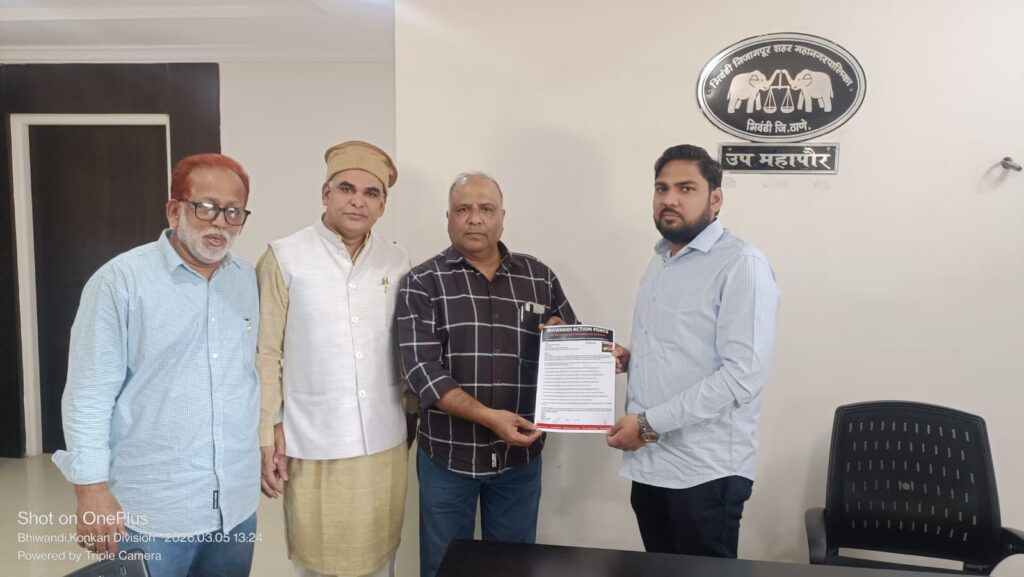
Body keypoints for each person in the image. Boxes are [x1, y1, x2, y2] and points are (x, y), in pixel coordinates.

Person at [53, 153, 260, 577]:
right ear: (174, 210)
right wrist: (91, 490)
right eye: (206, 207)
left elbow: (248, 376)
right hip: (153, 510)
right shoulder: (120, 282)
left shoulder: (245, 280)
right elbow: (88, 394)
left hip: (235, 506)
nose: (220, 222)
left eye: (233, 212)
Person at [397, 172, 577, 577]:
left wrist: (574, 342)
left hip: (520, 460)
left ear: (502, 217)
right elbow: (423, 372)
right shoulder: (422, 283)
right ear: (448, 217)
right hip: (447, 458)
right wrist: (489, 417)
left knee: (513, 568)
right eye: (463, 209)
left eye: (486, 209)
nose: (475, 218)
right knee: (444, 568)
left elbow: (574, 347)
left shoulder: (539, 277)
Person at [607, 144, 779, 558]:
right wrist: (633, 358)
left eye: (686, 188)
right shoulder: (661, 261)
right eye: (661, 188)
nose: (670, 199)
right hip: (651, 465)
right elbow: (684, 350)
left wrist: (646, 424)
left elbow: (741, 377)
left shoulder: (742, 264)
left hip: (704, 472)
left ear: (715, 199)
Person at [256, 141, 414, 577]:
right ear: (326, 193)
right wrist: (268, 431)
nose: (357, 201)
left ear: (382, 205)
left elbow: (407, 347)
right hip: (312, 440)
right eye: (347, 188)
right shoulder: (284, 257)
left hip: (384, 439)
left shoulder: (397, 261)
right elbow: (265, 353)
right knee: (319, 558)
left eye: (371, 193)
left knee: (381, 557)